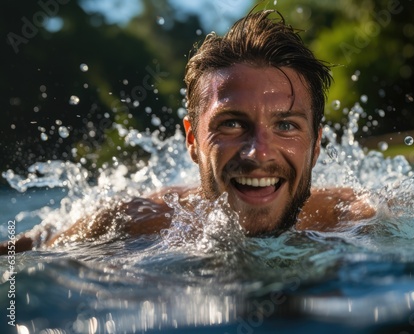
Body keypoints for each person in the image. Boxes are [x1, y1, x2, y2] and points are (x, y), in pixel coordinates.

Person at [0, 10, 375, 254]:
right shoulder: (137, 222)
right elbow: (27, 248)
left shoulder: (358, 218)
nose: (259, 153)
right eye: (231, 123)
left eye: (286, 125)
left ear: (316, 146)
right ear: (193, 140)